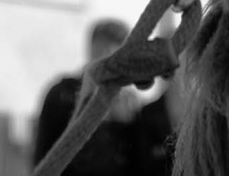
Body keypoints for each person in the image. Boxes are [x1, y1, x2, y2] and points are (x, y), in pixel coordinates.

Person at [32, 19, 173, 176]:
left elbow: (139, 161)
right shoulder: (62, 96)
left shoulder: (130, 102)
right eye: (105, 51)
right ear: (93, 50)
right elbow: (45, 154)